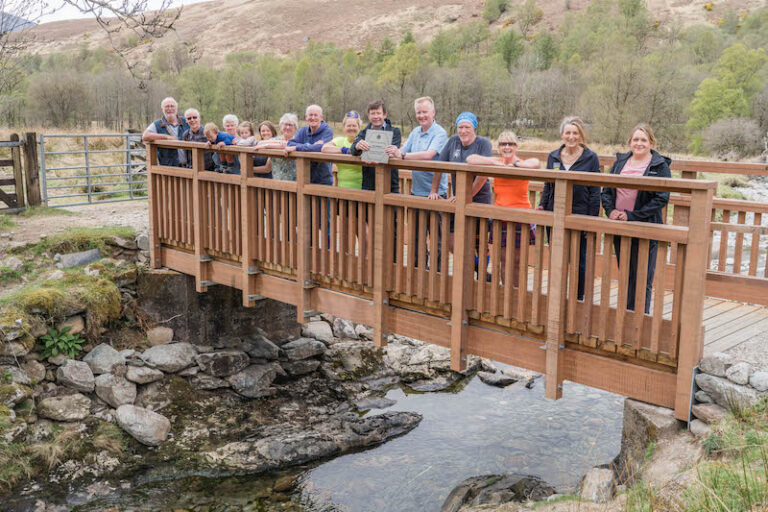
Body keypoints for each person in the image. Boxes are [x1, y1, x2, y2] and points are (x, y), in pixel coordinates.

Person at [601, 123, 671, 314]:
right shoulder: (620, 163)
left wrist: (632, 216)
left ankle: (641, 320)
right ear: (629, 142)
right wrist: (611, 211)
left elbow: (661, 198)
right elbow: (606, 190)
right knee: (626, 275)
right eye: (635, 139)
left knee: (643, 279)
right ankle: (626, 316)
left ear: (651, 142)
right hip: (620, 227)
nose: (639, 143)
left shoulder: (659, 165)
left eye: (643, 140)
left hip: (645, 228)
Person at [537, 116, 601, 300]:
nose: (571, 137)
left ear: (581, 135)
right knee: (558, 257)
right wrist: (542, 205)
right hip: (555, 213)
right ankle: (557, 296)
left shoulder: (590, 158)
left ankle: (578, 297)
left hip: (580, 214)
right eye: (568, 133)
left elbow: (595, 191)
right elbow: (549, 184)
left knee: (579, 260)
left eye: (575, 133)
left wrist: (592, 219)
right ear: (562, 135)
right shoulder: (554, 156)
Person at [466, 130, 539, 285]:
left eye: (511, 144)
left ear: (516, 146)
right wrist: (493, 162)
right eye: (503, 144)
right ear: (498, 147)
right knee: (503, 259)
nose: (507, 147)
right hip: (501, 217)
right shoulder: (495, 163)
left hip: (521, 217)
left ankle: (517, 296)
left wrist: (516, 165)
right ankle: (506, 294)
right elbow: (470, 159)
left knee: (518, 261)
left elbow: (536, 163)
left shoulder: (523, 163)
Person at [431, 111, 492, 253]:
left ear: (474, 128)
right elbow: (440, 165)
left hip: (479, 200)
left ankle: (480, 272)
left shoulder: (483, 143)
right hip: (457, 200)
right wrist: (433, 190)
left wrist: (466, 195)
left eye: (467, 127)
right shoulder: (453, 141)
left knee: (479, 245)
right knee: (452, 242)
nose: (463, 131)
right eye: (460, 127)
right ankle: (468, 270)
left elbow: (483, 175)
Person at [386, 96, 448, 197]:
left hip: (435, 194)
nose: (421, 115)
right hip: (416, 191)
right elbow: (402, 151)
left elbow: (428, 155)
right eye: (419, 112)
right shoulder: (415, 132)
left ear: (433, 112)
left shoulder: (440, 133)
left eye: (425, 112)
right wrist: (391, 152)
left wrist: (401, 154)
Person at [350, 100, 401, 193]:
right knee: (367, 208)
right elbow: (353, 150)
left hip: (390, 182)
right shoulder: (363, 132)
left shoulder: (395, 131)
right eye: (372, 113)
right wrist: (357, 146)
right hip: (369, 183)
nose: (376, 116)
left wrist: (391, 152)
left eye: (378, 113)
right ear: (369, 116)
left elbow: (393, 151)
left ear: (384, 115)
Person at [284, 105, 334, 184]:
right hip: (304, 178)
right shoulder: (303, 130)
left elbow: (321, 148)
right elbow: (290, 143)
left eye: (315, 115)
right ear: (306, 117)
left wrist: (296, 147)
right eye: (310, 115)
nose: (313, 118)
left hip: (323, 179)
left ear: (321, 117)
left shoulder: (327, 131)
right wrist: (310, 146)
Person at [142, 97, 189, 167]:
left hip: (188, 167)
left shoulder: (186, 121)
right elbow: (145, 136)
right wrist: (166, 137)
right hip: (168, 168)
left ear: (176, 108)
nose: (170, 109)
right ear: (162, 109)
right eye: (167, 106)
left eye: (172, 106)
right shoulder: (157, 124)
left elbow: (199, 129)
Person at [321, 111, 363, 188]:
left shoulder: (363, 142)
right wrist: (345, 150)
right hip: (342, 188)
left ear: (359, 127)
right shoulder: (340, 141)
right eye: (348, 126)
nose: (351, 128)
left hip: (362, 188)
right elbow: (325, 148)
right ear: (344, 127)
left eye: (354, 126)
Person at [257, 113, 299, 181]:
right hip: (277, 182)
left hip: (294, 183)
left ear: (295, 128)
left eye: (290, 125)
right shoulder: (276, 139)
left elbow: (289, 144)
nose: (287, 127)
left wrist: (268, 145)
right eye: (285, 124)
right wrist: (278, 143)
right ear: (281, 126)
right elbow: (260, 143)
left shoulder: (298, 140)